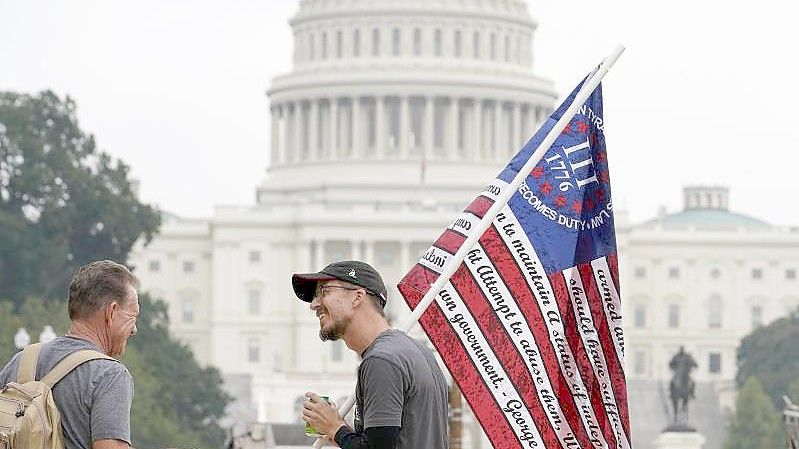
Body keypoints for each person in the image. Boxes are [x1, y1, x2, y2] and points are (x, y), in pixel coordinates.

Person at [293, 260, 448, 449]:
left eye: (324, 292)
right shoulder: (416, 351)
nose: (314, 304)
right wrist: (339, 433)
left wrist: (335, 428)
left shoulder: (382, 361)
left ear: (357, 297)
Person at [0, 260, 139, 449]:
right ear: (111, 312)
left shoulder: (20, 361)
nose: (134, 330)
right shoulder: (109, 375)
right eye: (132, 316)